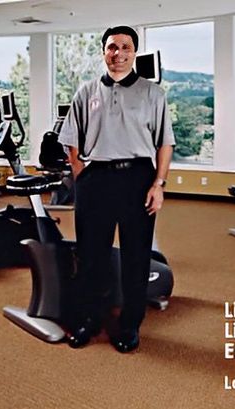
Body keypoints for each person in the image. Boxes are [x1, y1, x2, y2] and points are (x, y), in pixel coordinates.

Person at [58, 25, 175, 353]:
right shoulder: (86, 91)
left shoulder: (153, 94)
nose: (118, 53)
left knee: (136, 257)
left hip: (138, 178)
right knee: (91, 255)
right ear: (103, 51)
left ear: (134, 53)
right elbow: (71, 139)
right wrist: (81, 174)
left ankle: (129, 325)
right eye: (112, 47)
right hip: (96, 179)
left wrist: (159, 184)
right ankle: (89, 320)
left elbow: (165, 143)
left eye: (125, 47)